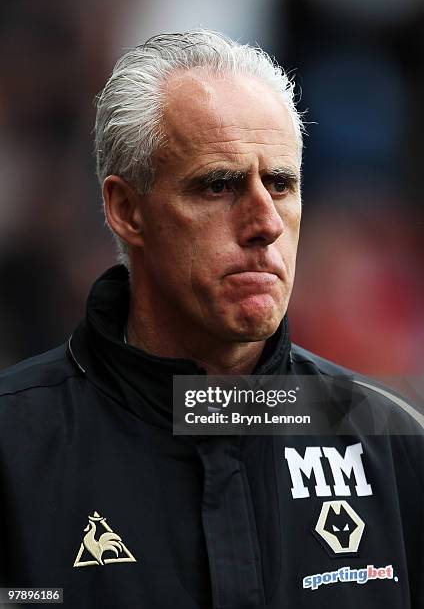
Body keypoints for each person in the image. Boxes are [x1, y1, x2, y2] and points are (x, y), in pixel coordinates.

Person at [0, 30, 422, 609]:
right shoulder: (15, 445)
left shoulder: (395, 441)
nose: (265, 222)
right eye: (219, 185)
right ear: (126, 210)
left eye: (281, 184)